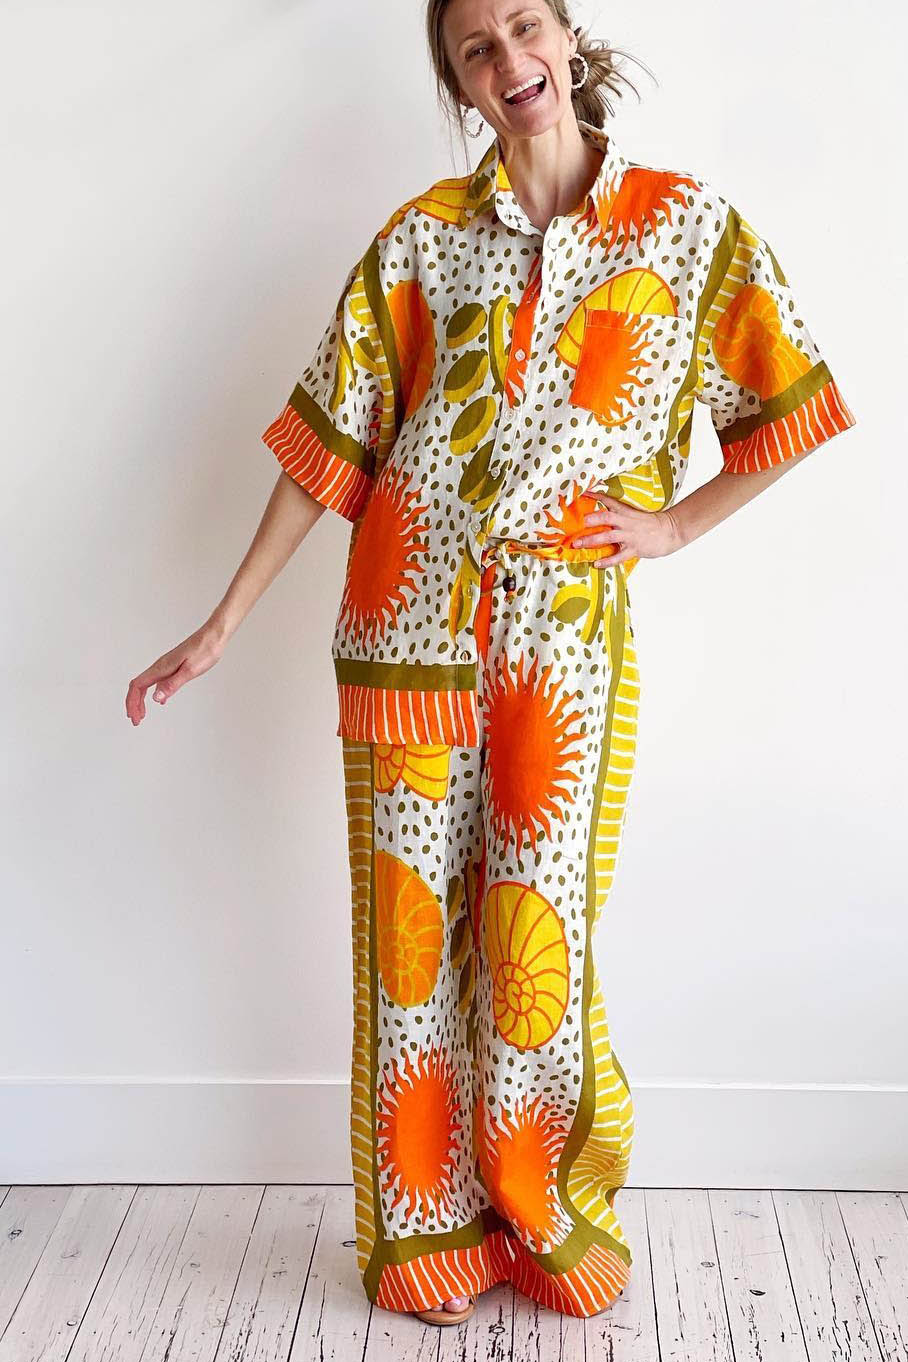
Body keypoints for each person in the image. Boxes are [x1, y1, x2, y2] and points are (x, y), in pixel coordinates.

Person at [125, 0, 856, 1330]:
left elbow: (791, 403)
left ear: (570, 38)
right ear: (459, 82)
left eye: (525, 26)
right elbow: (333, 444)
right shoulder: (419, 240)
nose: (509, 59)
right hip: (402, 636)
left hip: (561, 652)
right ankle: (421, 1237)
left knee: (537, 941)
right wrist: (223, 621)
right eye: (476, 47)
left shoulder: (688, 229)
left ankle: (539, 1211)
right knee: (411, 951)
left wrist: (675, 524)